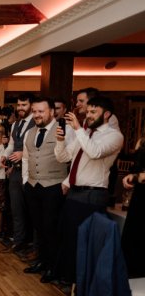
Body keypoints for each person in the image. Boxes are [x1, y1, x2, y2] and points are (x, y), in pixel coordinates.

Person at [53, 96, 123, 284]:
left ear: (107, 114)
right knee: (69, 239)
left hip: (93, 195)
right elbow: (64, 157)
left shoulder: (114, 136)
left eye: (94, 112)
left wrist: (77, 129)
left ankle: (83, 284)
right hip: (75, 192)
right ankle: (69, 279)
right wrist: (60, 141)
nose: (88, 115)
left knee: (85, 243)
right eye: (88, 111)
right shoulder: (85, 133)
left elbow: (94, 152)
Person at [21, 98, 68, 283]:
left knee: (51, 228)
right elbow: (26, 157)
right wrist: (25, 181)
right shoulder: (29, 132)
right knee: (39, 227)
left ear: (51, 112)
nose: (37, 115)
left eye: (41, 111)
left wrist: (66, 183)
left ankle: (53, 267)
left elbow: (71, 158)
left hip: (54, 186)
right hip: (33, 186)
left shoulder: (64, 131)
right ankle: (42, 261)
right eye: (34, 111)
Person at [1, 93, 36, 252]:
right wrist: (5, 155)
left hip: (31, 172)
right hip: (16, 171)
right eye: (19, 105)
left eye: (24, 105)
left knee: (31, 209)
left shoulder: (37, 122)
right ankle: (18, 241)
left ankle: (32, 245)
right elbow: (11, 145)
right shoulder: (15, 125)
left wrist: (24, 154)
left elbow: (39, 147)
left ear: (32, 106)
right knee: (16, 208)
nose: (20, 108)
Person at [121, 137, 145, 278]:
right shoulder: (142, 140)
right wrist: (131, 175)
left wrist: (135, 177)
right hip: (139, 199)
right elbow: (137, 167)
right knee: (133, 239)